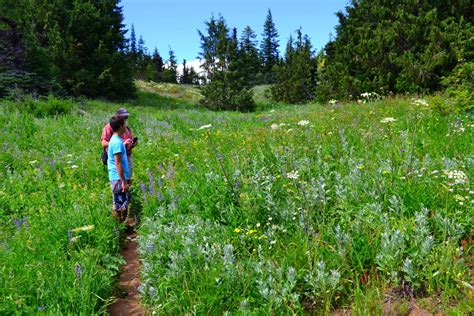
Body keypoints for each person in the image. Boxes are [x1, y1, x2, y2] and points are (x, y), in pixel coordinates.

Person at [101, 108, 137, 178]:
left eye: (127, 116)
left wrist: (132, 144)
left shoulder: (126, 128)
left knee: (128, 177)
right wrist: (120, 144)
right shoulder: (109, 127)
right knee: (119, 179)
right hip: (116, 156)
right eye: (124, 116)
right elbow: (103, 143)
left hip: (127, 156)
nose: (126, 118)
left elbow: (129, 140)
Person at [108, 116, 131, 222]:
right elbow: (118, 163)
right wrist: (123, 182)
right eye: (124, 123)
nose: (126, 125)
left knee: (120, 203)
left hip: (117, 177)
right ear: (121, 126)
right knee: (120, 204)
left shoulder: (117, 140)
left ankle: (120, 227)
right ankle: (120, 228)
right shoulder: (117, 142)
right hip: (118, 178)